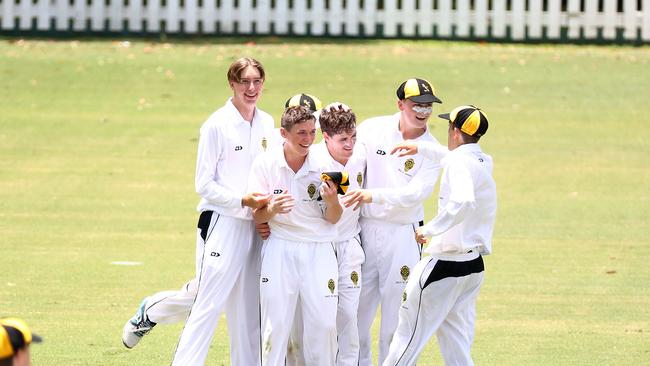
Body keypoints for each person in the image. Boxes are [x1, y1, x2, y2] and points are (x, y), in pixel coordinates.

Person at [121, 57, 275, 366]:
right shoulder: (216, 125)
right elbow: (203, 184)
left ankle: (154, 309)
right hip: (221, 222)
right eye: (244, 81)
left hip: (254, 225)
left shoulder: (267, 123)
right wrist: (241, 201)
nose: (251, 88)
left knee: (247, 309)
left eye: (256, 81)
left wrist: (263, 212)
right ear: (232, 84)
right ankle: (155, 315)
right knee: (209, 302)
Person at [342, 78, 447, 366]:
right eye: (417, 105)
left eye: (428, 106)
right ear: (401, 104)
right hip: (364, 229)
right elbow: (351, 165)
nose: (423, 111)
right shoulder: (372, 129)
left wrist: (370, 195)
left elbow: (415, 195)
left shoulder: (431, 149)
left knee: (396, 315)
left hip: (403, 234)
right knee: (356, 312)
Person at [383, 105, 497, 366]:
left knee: (407, 337)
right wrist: (420, 148)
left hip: (444, 266)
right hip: (472, 267)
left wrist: (429, 229)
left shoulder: (459, 163)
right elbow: (453, 158)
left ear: (455, 131)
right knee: (456, 342)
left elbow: (462, 201)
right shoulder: (482, 160)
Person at [248, 105, 343, 366]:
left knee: (324, 326)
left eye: (312, 132)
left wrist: (333, 201)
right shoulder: (265, 163)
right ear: (283, 133)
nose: (307, 139)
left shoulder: (326, 165)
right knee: (275, 325)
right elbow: (257, 217)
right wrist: (272, 209)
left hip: (319, 249)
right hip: (280, 248)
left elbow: (334, 217)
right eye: (301, 133)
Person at [285, 103, 367, 366]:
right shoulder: (315, 161)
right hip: (319, 248)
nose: (350, 145)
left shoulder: (362, 155)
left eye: (353, 137)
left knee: (348, 316)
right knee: (320, 321)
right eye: (343, 139)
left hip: (350, 244)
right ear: (326, 137)